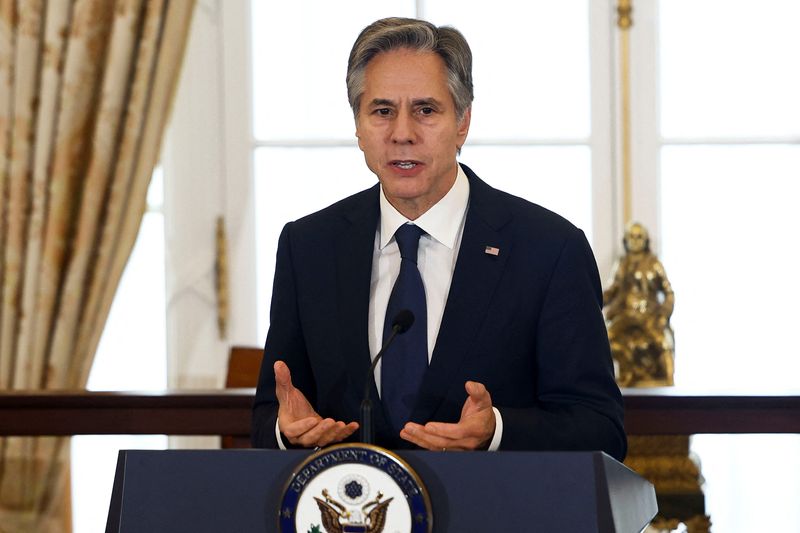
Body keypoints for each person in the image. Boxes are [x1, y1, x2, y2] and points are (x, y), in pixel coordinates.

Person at [252, 17, 626, 460]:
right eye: (382, 111)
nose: (402, 133)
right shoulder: (308, 247)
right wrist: (286, 432)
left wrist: (497, 431)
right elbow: (271, 414)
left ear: (463, 122)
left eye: (426, 110)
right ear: (358, 125)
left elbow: (600, 429)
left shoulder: (548, 249)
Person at [603, 222, 675, 387]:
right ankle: (626, 375)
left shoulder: (654, 263)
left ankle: (670, 383)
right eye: (632, 237)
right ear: (626, 240)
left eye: (639, 237)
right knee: (605, 340)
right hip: (626, 315)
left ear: (646, 240)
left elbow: (668, 292)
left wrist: (664, 314)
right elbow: (611, 290)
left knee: (663, 344)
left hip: (649, 317)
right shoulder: (622, 264)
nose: (635, 241)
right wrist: (593, 302)